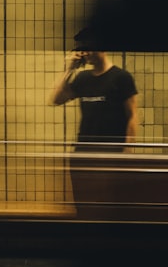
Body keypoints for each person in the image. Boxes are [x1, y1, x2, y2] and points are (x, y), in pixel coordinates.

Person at [48, 27, 137, 218]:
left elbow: (132, 116)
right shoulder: (83, 78)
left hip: (112, 156)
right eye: (81, 48)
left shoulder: (121, 78)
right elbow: (55, 99)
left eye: (88, 47)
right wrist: (68, 70)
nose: (84, 52)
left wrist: (128, 153)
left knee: (111, 208)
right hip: (83, 154)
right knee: (84, 207)